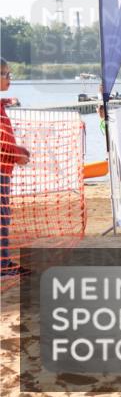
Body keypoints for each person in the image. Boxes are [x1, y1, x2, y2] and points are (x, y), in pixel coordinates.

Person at [1, 58, 31, 277]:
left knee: (4, 215)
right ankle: (2, 265)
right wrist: (16, 154)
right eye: (5, 74)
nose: (9, 78)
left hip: (4, 168)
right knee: (2, 217)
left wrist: (17, 150)